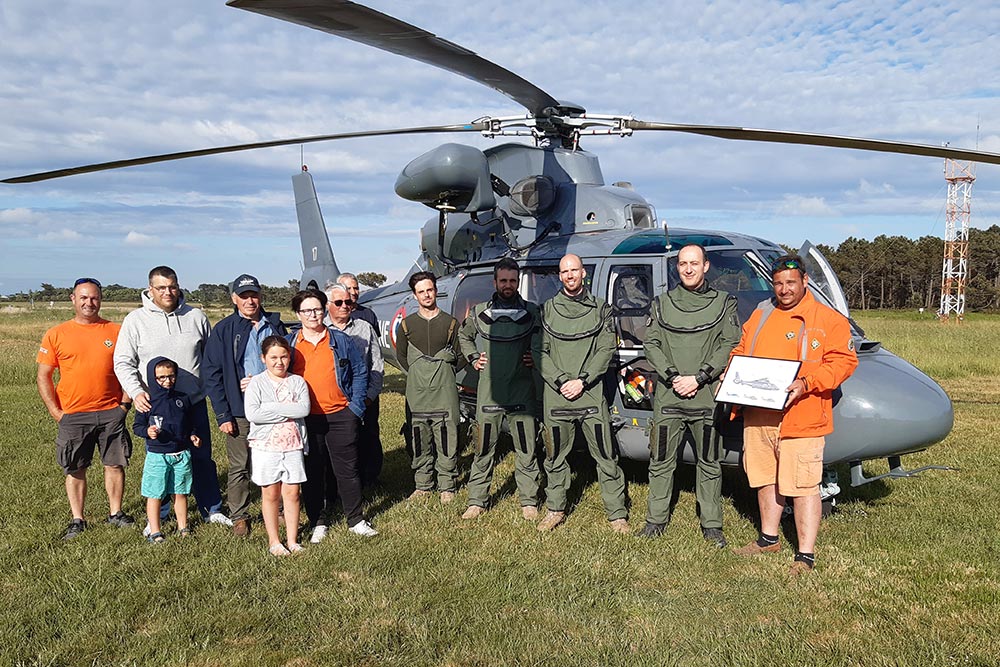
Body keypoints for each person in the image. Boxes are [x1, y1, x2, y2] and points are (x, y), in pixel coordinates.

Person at [731, 254, 858, 574]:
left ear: (804, 282)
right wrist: (731, 374)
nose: (784, 289)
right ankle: (768, 538)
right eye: (778, 283)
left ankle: (805, 554)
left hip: (801, 417)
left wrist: (807, 382)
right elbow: (741, 350)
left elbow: (844, 363)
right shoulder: (760, 314)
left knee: (803, 486)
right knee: (764, 479)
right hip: (760, 415)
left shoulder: (828, 319)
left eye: (790, 283)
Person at [113, 266, 228, 527]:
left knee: (200, 456)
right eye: (161, 288)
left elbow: (210, 360)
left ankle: (212, 508)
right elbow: (122, 362)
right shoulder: (136, 320)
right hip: (157, 407)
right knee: (161, 461)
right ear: (150, 289)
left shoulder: (196, 317)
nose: (168, 292)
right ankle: (161, 516)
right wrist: (136, 391)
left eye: (172, 286)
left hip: (193, 402)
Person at [641, 244, 740, 546]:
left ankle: (712, 524)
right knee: (660, 461)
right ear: (677, 267)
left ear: (706, 266)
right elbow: (652, 344)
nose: (687, 269)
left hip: (705, 396)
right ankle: (655, 520)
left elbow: (729, 342)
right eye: (682, 263)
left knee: (709, 462)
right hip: (669, 398)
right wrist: (672, 375)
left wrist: (700, 377)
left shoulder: (725, 303)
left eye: (694, 263)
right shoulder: (661, 304)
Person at [36, 277, 135, 539]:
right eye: (83, 297)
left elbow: (128, 368)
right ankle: (78, 519)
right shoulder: (57, 334)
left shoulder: (117, 331)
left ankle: (115, 513)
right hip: (73, 414)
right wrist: (55, 412)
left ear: (100, 299)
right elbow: (43, 375)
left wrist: (125, 403)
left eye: (94, 298)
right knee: (75, 467)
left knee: (115, 464)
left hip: (111, 411)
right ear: (73, 299)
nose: (89, 303)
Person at [537, 254, 629, 533]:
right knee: (554, 457)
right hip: (557, 395)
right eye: (564, 271)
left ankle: (617, 514)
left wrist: (583, 381)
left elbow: (606, 349)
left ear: (583, 273)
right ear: (560, 275)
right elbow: (539, 351)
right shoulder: (547, 310)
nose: (569, 275)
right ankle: (555, 509)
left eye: (574, 270)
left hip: (589, 394)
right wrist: (562, 380)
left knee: (605, 454)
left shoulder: (601, 310)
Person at [286, 288, 376, 541]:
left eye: (317, 309)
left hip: (340, 415)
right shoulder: (291, 344)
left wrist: (355, 407)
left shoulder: (340, 340)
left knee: (347, 469)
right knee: (313, 470)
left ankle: (355, 519)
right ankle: (318, 521)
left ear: (324, 310)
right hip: (306, 418)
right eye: (307, 310)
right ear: (298, 313)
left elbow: (360, 371)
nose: (313, 315)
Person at [458, 258, 543, 520]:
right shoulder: (479, 312)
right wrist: (473, 357)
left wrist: (534, 355)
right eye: (503, 280)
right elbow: (464, 336)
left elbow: (542, 340)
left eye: (512, 281)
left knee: (527, 448)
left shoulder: (532, 311)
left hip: (521, 391)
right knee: (483, 448)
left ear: (518, 283)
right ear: (495, 282)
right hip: (489, 394)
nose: (508, 285)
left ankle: (528, 500)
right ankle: (477, 500)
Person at [203, 274, 287, 537]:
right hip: (239, 410)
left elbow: (288, 361)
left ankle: (280, 508)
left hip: (275, 407)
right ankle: (240, 514)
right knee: (240, 464)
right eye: (244, 295)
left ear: (261, 296)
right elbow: (212, 373)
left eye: (254, 295)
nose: (250, 300)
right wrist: (222, 414)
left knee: (277, 459)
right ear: (234, 299)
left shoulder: (275, 325)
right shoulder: (224, 330)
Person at [396, 271, 463, 504]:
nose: (426, 295)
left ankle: (447, 484)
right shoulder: (406, 326)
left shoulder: (451, 323)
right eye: (421, 291)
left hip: (444, 391)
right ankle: (423, 484)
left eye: (430, 290)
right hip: (418, 393)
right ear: (415, 296)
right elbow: (402, 358)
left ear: (436, 291)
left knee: (447, 435)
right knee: (418, 435)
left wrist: (442, 371)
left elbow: (460, 356)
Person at [244, 336, 310, 556]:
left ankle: (292, 539)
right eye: (273, 357)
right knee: (271, 493)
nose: (279, 362)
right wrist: (285, 408)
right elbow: (253, 414)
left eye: (283, 356)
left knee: (292, 492)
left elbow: (303, 410)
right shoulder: (257, 383)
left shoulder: (297, 382)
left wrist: (270, 409)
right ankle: (274, 540)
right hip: (265, 446)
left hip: (292, 444)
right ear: (264, 358)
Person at [132, 357, 201, 543]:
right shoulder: (147, 401)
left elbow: (189, 423)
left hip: (181, 453)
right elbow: (137, 426)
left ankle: (183, 527)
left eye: (171, 376)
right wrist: (147, 432)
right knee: (155, 493)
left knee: (181, 492)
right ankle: (155, 530)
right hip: (157, 455)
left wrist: (192, 435)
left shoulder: (182, 399)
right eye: (161, 377)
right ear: (152, 378)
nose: (167, 381)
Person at [326, 282, 384, 488]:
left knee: (368, 438)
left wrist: (370, 395)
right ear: (328, 304)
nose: (344, 306)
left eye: (348, 302)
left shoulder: (365, 328)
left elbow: (376, 363)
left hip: (364, 398)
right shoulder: (321, 330)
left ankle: (370, 479)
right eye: (339, 302)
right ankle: (333, 486)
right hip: (332, 402)